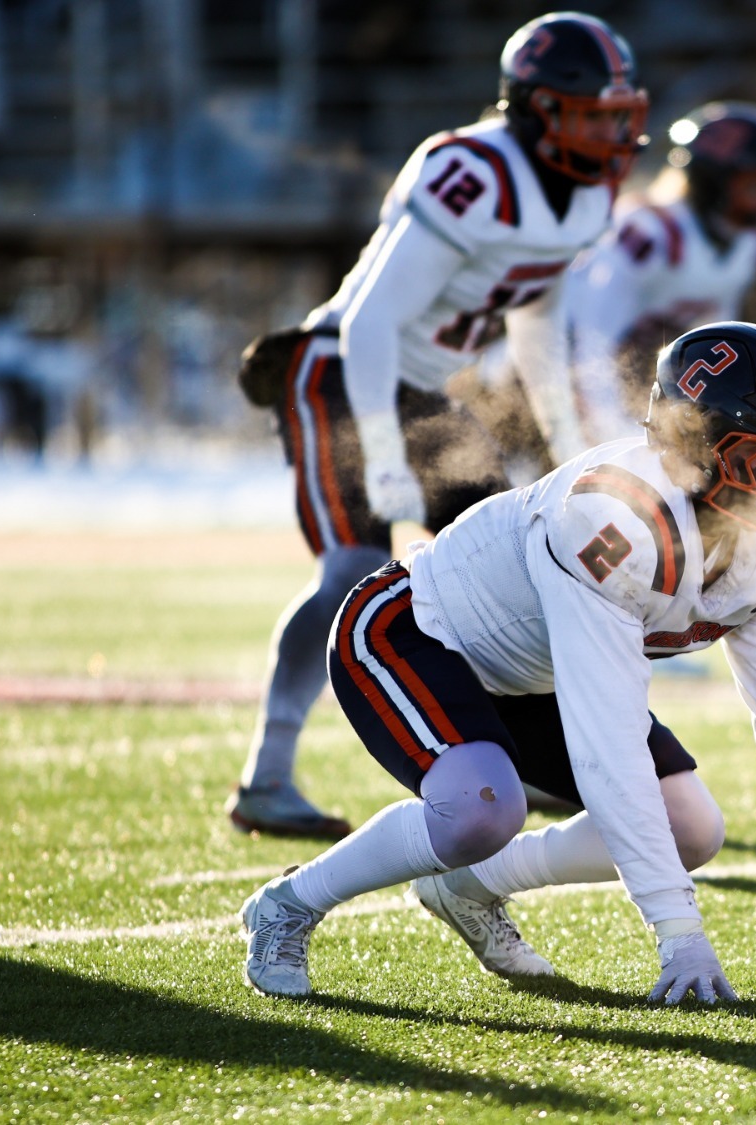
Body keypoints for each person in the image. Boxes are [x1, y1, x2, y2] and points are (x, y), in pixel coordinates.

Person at [239, 321, 756, 1004]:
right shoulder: (613, 515)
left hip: (537, 668)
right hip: (413, 628)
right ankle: (288, 903)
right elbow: (608, 745)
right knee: (482, 809)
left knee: (692, 826)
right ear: (693, 446)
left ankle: (467, 888)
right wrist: (678, 929)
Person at [225, 12, 647, 838]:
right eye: (590, 112)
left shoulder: (588, 194)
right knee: (352, 565)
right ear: (535, 108)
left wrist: (565, 435)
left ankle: (537, 757)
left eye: (616, 113)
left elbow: (537, 318)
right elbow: (371, 322)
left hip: (425, 393)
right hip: (343, 372)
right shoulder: (470, 169)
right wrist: (383, 458)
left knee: (522, 563)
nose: (610, 130)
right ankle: (266, 775)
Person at [562, 102, 756, 444]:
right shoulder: (650, 233)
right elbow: (589, 340)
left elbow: (717, 348)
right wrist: (612, 438)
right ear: (715, 182)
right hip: (553, 364)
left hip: (631, 369)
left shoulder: (747, 247)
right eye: (755, 185)